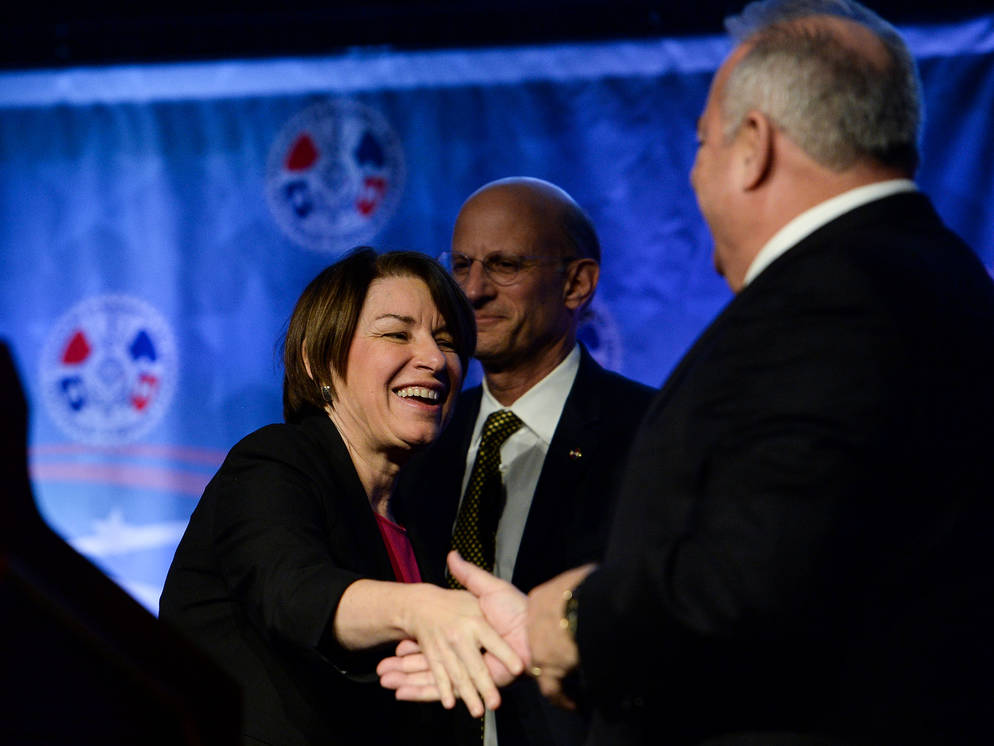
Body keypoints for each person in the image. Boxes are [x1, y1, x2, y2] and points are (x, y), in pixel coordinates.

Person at [380, 2, 994, 744]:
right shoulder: (934, 273)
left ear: (754, 147)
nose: (696, 175)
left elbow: (755, 579)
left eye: (702, 144)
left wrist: (569, 619)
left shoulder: (835, 301)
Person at [159, 248, 525, 746]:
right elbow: (292, 591)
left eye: (448, 341)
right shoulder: (274, 462)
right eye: (397, 334)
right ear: (318, 362)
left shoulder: (421, 512)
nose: (436, 360)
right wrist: (420, 609)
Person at [392, 177, 656, 746]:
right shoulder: (418, 435)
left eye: (504, 265)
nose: (473, 290)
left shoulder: (651, 433)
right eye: (460, 265)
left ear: (576, 283)